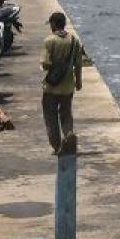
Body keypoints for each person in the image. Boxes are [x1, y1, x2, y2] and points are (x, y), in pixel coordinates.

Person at [40, 12, 83, 155]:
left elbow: (45, 63)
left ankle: (57, 146)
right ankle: (69, 133)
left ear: (53, 24)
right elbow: (78, 64)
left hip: (51, 87)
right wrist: (79, 81)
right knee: (66, 113)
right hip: (68, 86)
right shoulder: (74, 40)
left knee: (50, 117)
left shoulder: (49, 41)